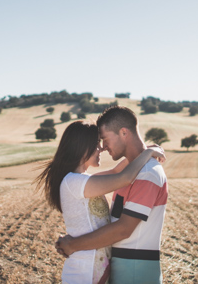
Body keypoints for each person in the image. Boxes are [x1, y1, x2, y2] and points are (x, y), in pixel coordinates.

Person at [36, 119, 165, 284]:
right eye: (97, 144)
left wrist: (145, 149)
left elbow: (118, 170)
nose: (102, 149)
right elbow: (124, 178)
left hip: (95, 270)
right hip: (83, 272)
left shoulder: (84, 181)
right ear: (82, 147)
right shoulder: (73, 182)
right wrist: (147, 154)